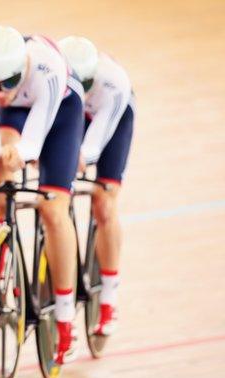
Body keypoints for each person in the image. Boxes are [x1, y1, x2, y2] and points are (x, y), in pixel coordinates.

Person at [0, 26, 85, 363]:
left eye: (5, 83)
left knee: (53, 210)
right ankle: (7, 238)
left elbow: (33, 143)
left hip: (61, 110)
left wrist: (19, 152)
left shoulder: (46, 68)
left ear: (21, 68)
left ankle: (66, 319)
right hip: (18, 112)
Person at [59, 36, 135, 336]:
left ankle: (108, 299)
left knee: (104, 204)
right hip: (73, 113)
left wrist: (73, 158)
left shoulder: (113, 83)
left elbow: (91, 149)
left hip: (111, 119)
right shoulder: (59, 80)